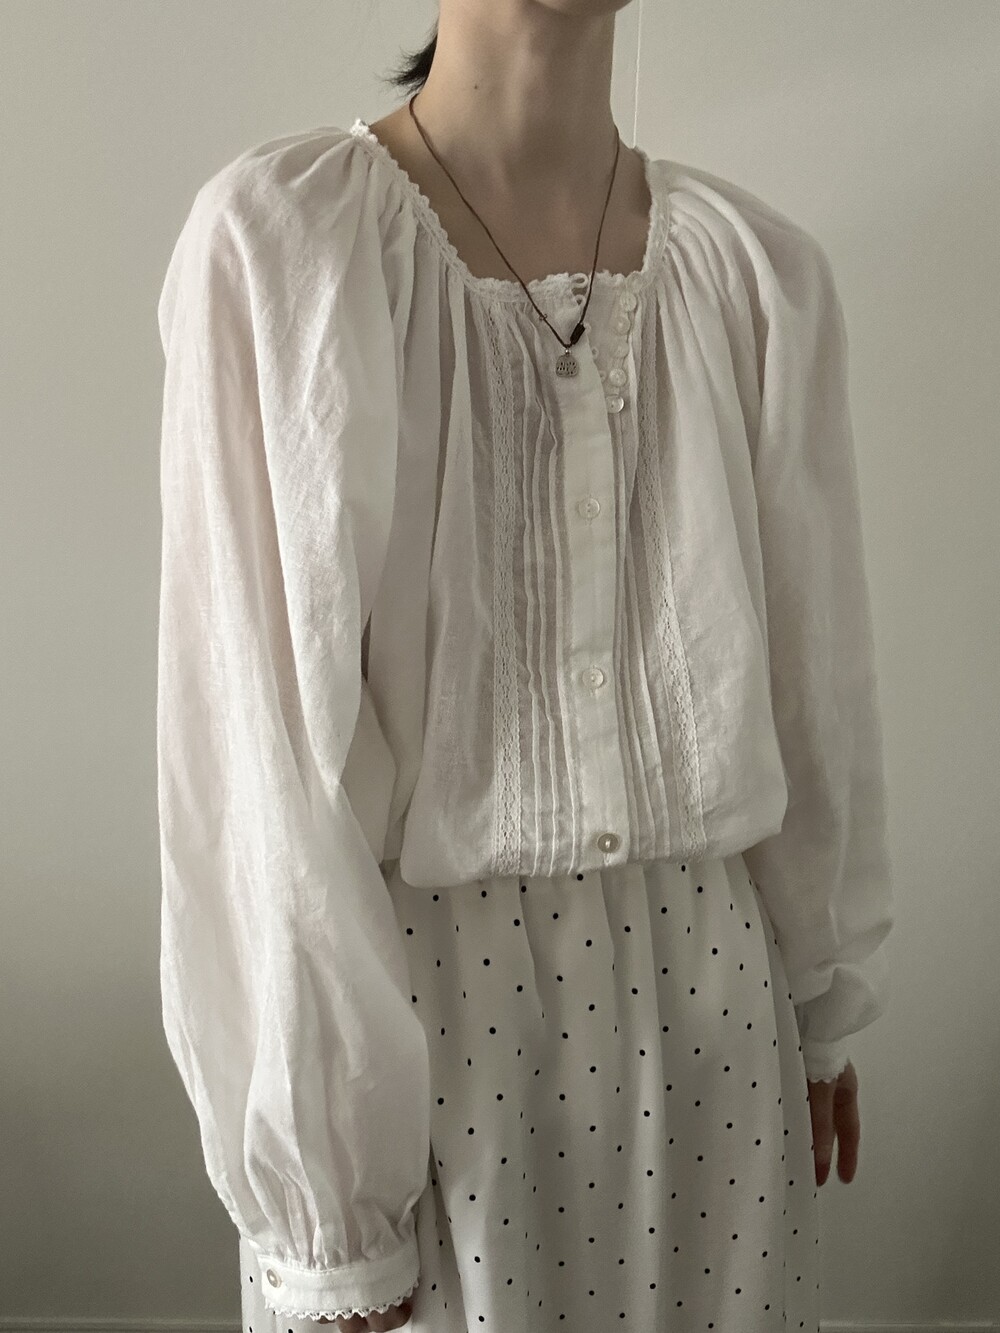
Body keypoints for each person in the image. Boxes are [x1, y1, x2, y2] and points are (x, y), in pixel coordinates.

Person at [155, 1, 894, 1330]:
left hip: (721, 1023)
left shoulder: (757, 275)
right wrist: (328, 1212)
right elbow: (254, 763)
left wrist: (822, 999)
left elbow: (815, 682)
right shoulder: (286, 247)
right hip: (421, 1045)